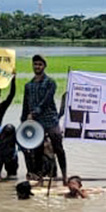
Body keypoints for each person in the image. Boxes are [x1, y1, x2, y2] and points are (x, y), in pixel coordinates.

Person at [21, 54, 67, 182]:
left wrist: (34, 113)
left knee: (58, 148)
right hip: (36, 123)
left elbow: (46, 101)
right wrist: (23, 120)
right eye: (35, 64)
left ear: (44, 66)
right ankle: (39, 177)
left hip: (50, 119)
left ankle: (64, 176)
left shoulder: (50, 82)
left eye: (40, 64)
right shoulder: (28, 85)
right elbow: (25, 104)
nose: (37, 67)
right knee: (37, 150)